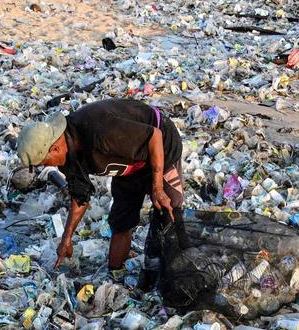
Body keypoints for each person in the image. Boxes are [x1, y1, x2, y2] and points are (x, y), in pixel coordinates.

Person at [16, 99, 184, 285]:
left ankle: (176, 274)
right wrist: (67, 239)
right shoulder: (67, 156)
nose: (50, 167)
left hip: (161, 148)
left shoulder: (98, 131)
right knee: (121, 221)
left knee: (169, 210)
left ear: (54, 148)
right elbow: (80, 198)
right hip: (127, 166)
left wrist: (157, 188)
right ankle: (115, 275)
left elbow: (154, 136)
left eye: (45, 162)